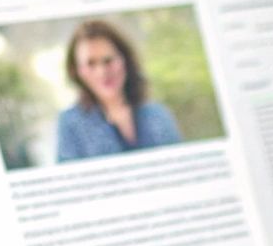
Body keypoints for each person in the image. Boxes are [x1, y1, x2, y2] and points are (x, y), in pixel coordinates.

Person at [55, 19, 182, 162]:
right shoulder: (70, 124)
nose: (102, 72)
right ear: (77, 71)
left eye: (108, 60)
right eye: (91, 63)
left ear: (124, 60)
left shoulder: (159, 114)